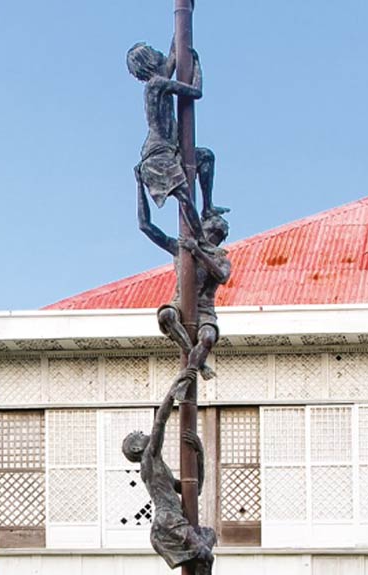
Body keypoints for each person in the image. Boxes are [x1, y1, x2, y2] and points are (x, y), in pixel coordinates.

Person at [121, 368, 221, 575]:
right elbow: (160, 423)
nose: (145, 436)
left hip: (175, 518)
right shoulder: (148, 459)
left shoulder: (158, 466)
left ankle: (197, 564)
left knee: (209, 536)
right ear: (136, 448)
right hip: (168, 521)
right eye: (139, 437)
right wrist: (173, 392)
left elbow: (193, 490)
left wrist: (199, 455)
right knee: (206, 555)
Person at [136, 172, 231, 391]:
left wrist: (198, 251)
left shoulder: (220, 258)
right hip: (180, 304)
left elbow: (222, 276)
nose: (210, 234)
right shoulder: (182, 250)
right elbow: (146, 226)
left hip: (205, 310)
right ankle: (197, 362)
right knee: (166, 314)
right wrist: (139, 186)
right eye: (209, 230)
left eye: (215, 233)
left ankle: (187, 376)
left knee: (207, 338)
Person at [127, 40, 226, 238]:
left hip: (171, 150)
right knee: (184, 196)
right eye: (153, 51)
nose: (158, 52)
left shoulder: (159, 80)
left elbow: (172, 57)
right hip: (158, 154)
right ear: (148, 61)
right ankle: (200, 241)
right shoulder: (157, 84)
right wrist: (196, 65)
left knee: (205, 157)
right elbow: (195, 91)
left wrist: (180, 37)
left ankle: (208, 208)